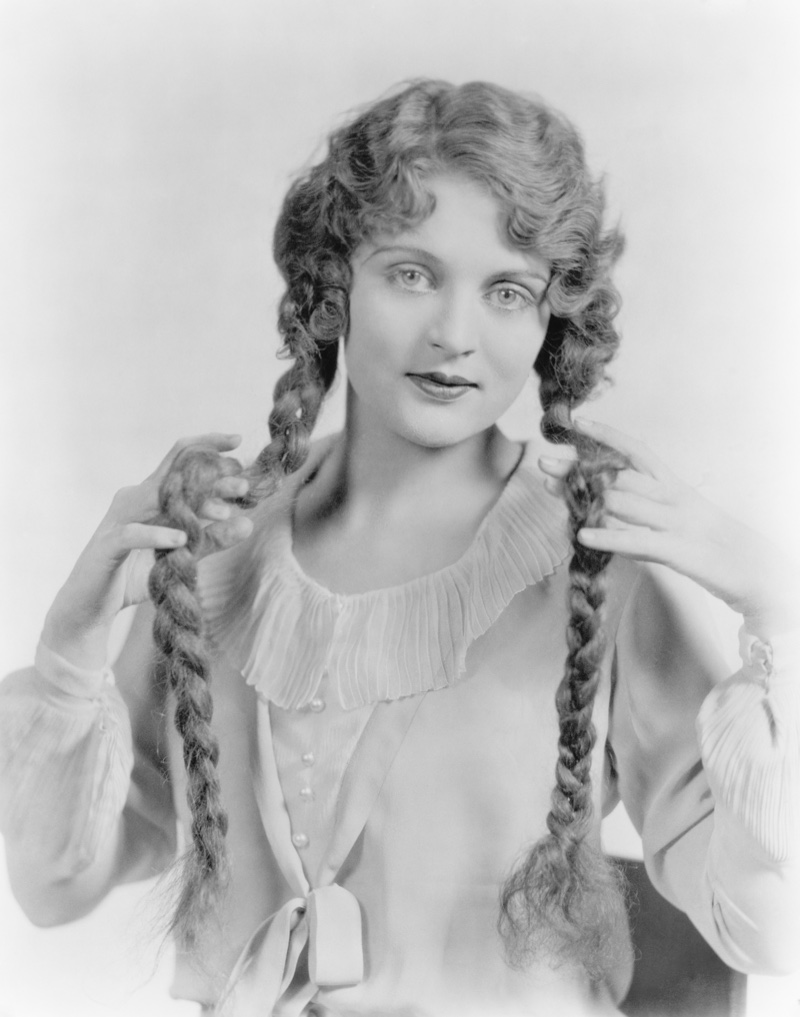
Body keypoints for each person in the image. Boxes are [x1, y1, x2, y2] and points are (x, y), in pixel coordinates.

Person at [0, 79, 798, 1017]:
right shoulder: (220, 549)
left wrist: (778, 608)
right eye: (412, 273)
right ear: (335, 287)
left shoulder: (596, 559)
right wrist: (69, 656)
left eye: (507, 291)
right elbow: (54, 889)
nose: (453, 335)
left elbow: (767, 925)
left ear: (552, 322)